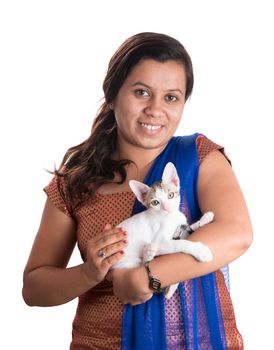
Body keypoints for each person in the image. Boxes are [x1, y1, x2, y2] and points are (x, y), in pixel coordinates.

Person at [22, 32, 253, 349]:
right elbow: (34, 287)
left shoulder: (198, 158)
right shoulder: (75, 183)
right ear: (113, 95)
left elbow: (236, 233)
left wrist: (148, 276)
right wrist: (90, 273)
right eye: (142, 93)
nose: (156, 109)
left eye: (171, 97)